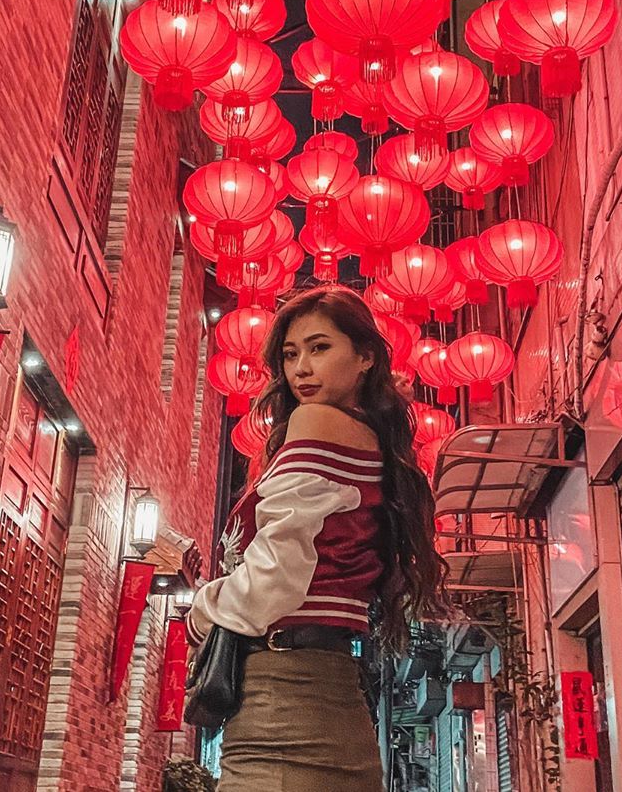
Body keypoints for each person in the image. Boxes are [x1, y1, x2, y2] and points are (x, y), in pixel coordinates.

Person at [186, 285, 450, 791]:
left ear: (365, 356)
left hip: (282, 702)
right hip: (331, 695)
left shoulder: (316, 423)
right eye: (290, 354)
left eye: (320, 347)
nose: (302, 368)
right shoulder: (368, 436)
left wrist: (202, 608)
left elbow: (273, 584)